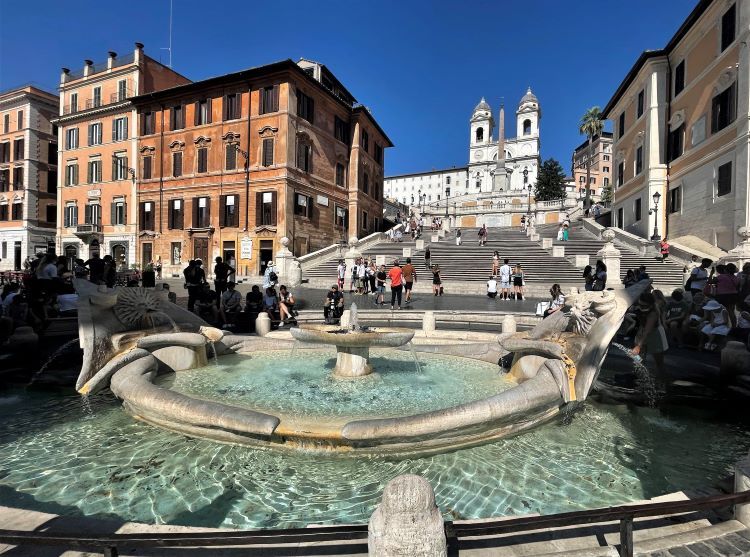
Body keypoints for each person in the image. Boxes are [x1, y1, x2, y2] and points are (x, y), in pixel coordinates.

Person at [632, 292, 669, 388]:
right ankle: (641, 379)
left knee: (659, 362)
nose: (641, 307)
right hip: (642, 332)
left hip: (655, 335)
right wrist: (638, 339)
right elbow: (642, 325)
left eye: (644, 305)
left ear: (651, 304)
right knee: (638, 359)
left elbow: (648, 330)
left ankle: (661, 383)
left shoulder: (653, 312)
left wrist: (638, 345)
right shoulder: (638, 306)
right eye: (640, 304)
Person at [714, 264, 739, 328]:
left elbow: (710, 282)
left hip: (723, 295)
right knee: (732, 312)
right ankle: (734, 327)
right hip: (733, 295)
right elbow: (737, 286)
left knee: (722, 311)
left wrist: (711, 274)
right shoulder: (735, 277)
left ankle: (724, 326)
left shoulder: (721, 276)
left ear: (725, 269)